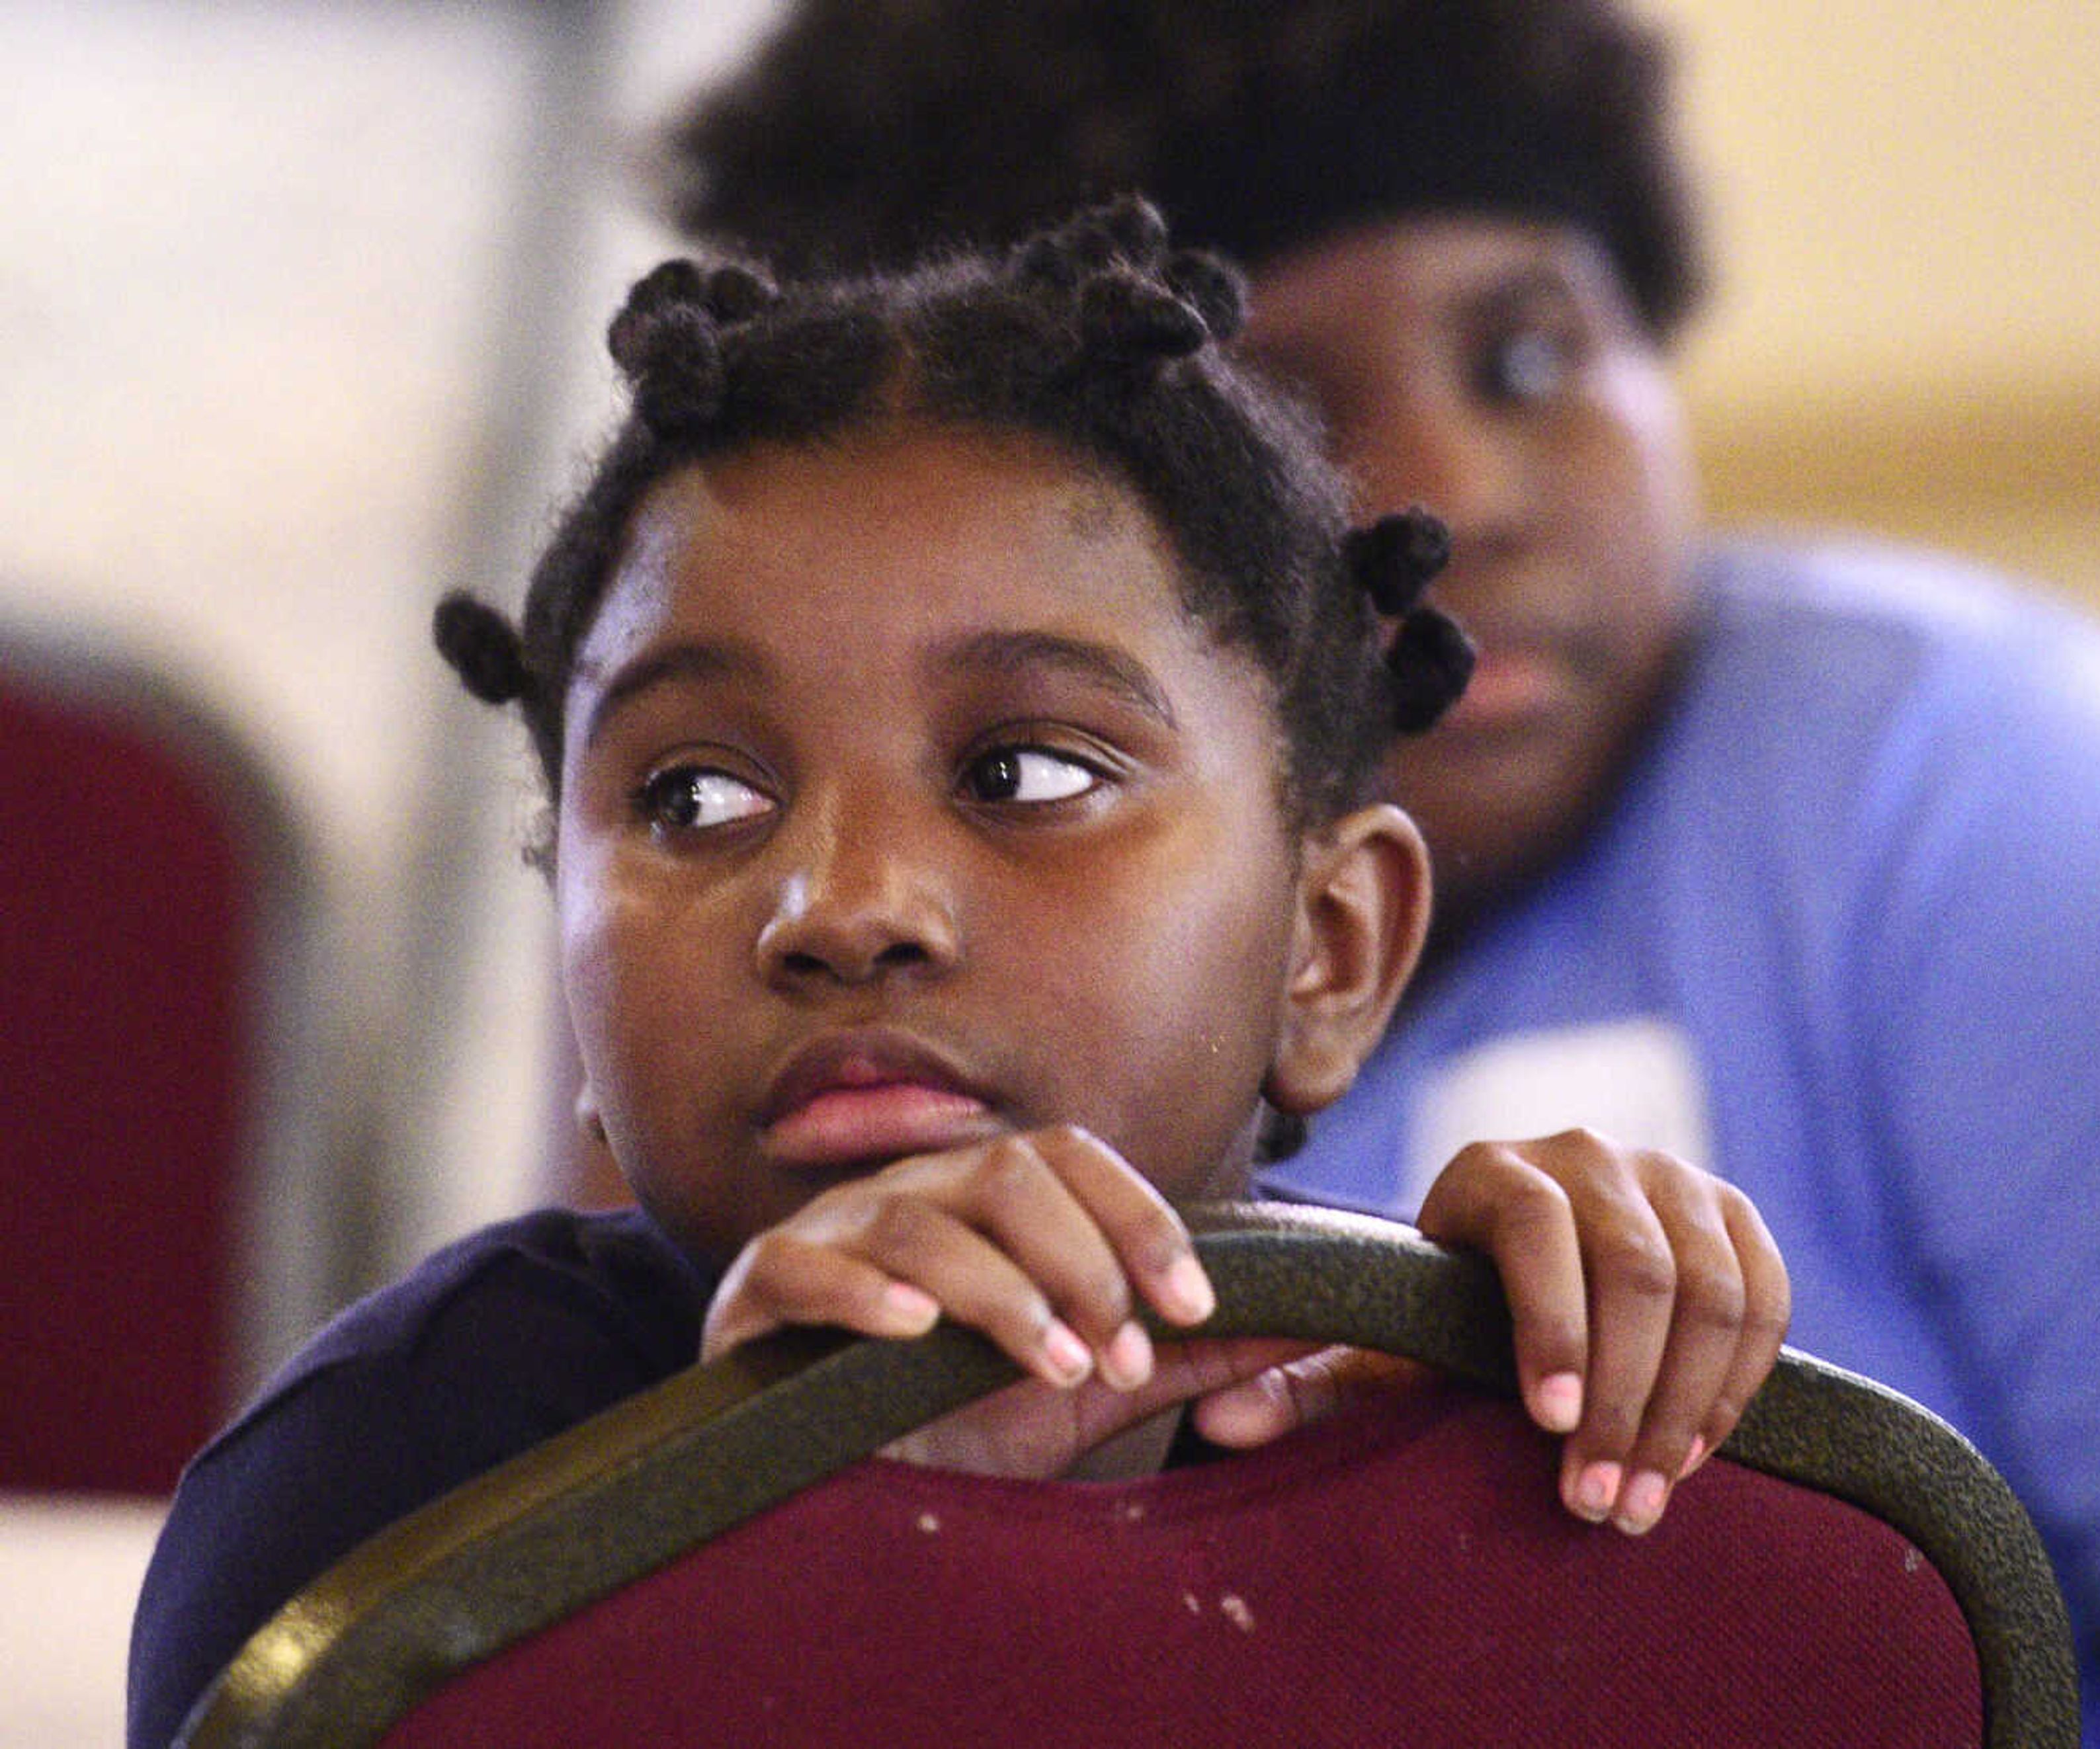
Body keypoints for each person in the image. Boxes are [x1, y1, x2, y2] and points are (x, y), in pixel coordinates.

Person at [659, 3, 2100, 1743]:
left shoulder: (1936, 779)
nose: (1463, 483)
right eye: (1290, 415)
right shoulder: (813, 975)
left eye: (1534, 350)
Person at [126, 204, 1791, 1748]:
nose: (843, 908)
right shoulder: (394, 1497)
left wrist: (1632, 1471)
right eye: (691, 798)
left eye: (1027, 774)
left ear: (1332, 950)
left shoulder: (1428, 1432)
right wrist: (839, 1551)